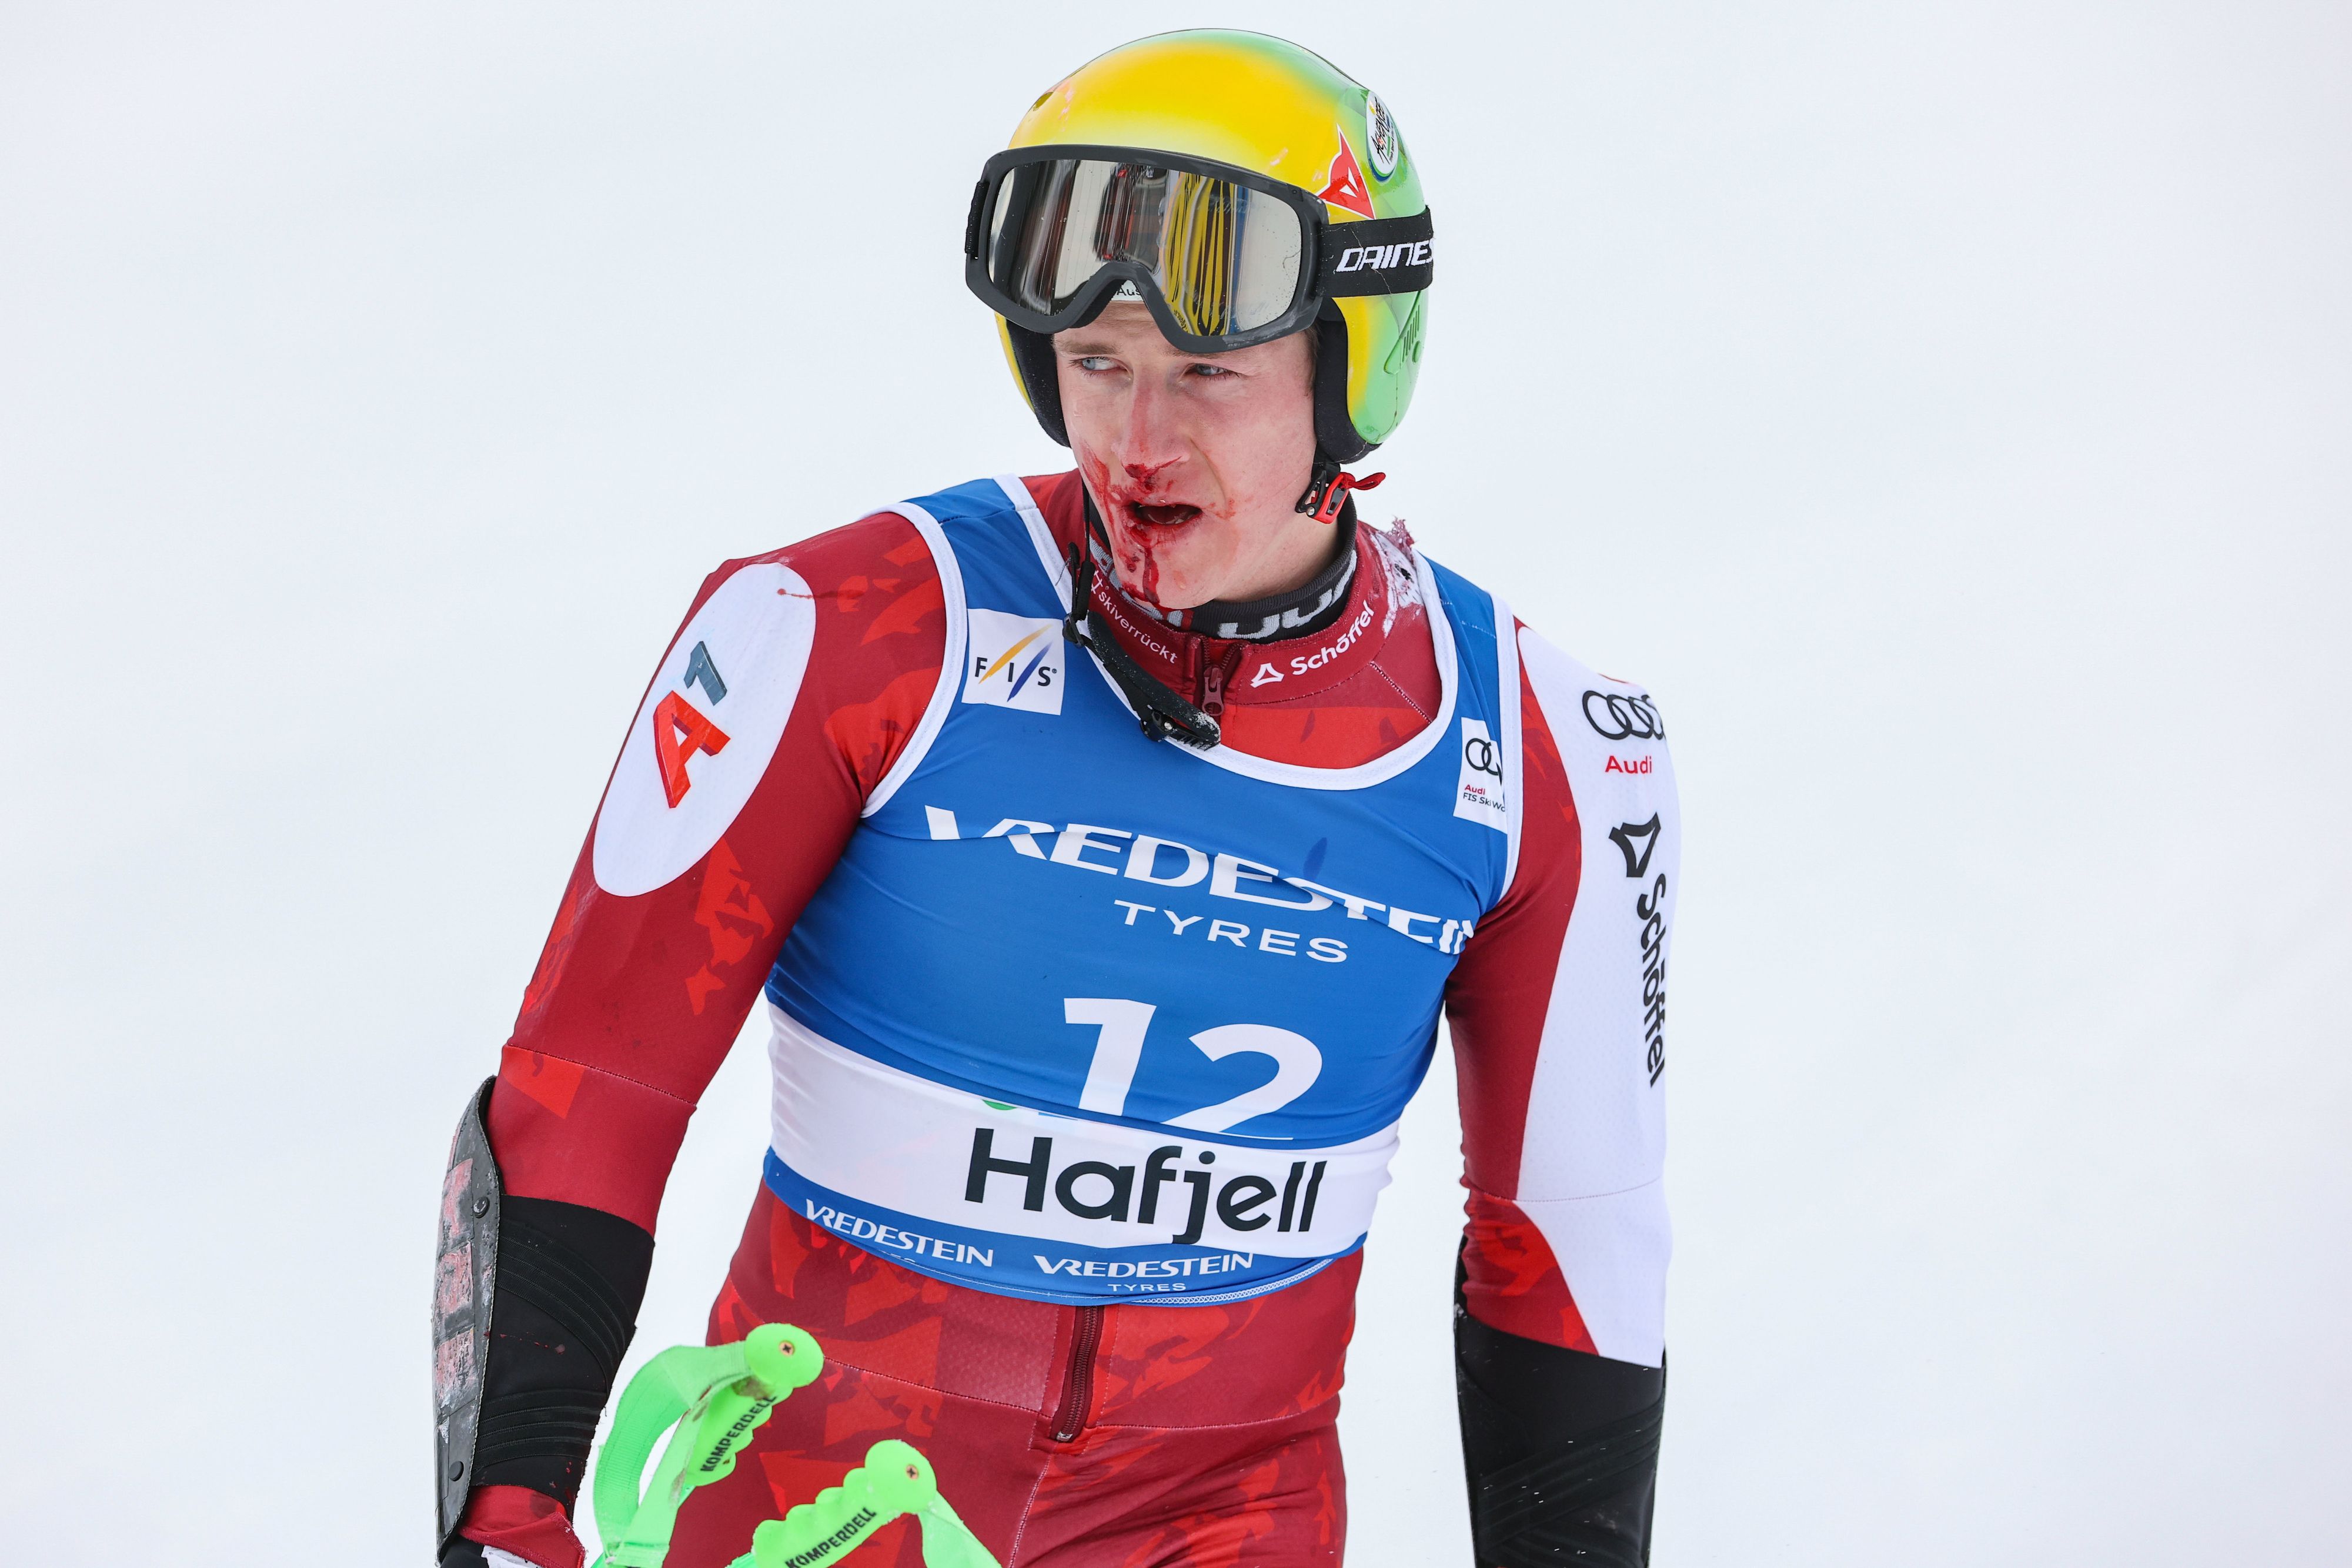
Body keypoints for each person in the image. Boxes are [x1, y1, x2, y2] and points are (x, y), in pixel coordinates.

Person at [430, 29, 1678, 1568]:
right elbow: (590, 1089)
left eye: (1207, 372)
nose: (1138, 441)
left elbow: (1571, 1232)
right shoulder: (841, 630)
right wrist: (503, 1520)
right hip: (810, 1519)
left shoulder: (1548, 749)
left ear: (1358, 363)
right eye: (1094, 365)